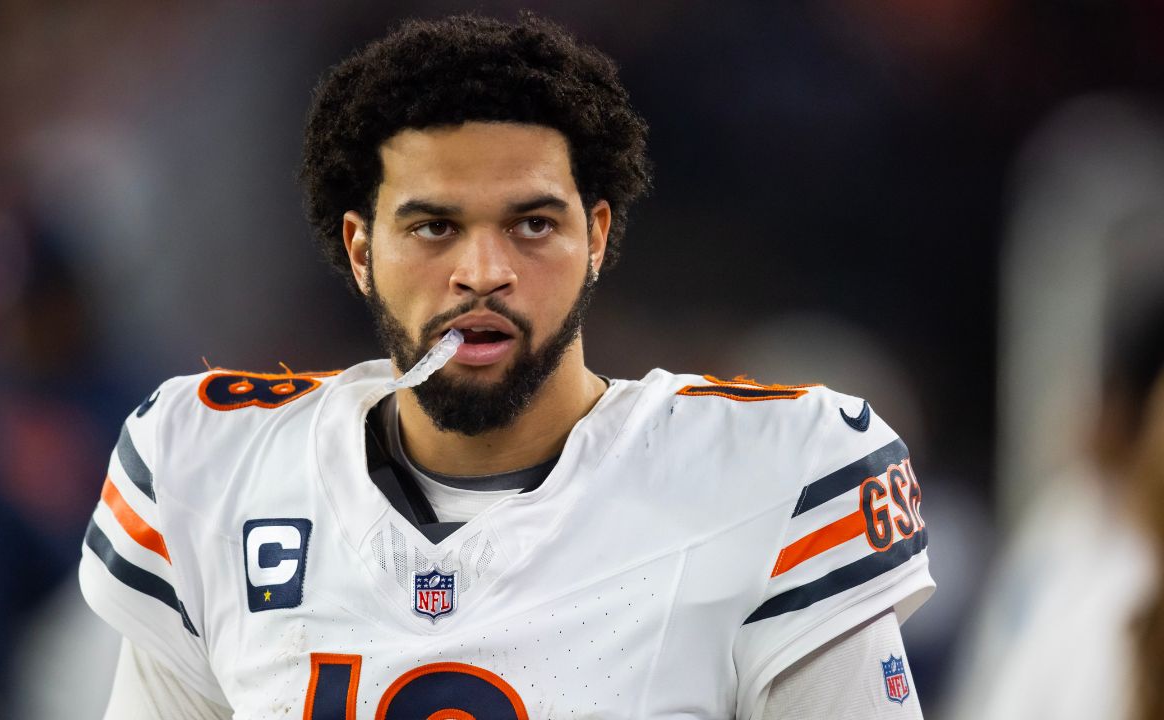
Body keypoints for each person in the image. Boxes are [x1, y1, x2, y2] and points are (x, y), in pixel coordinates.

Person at [79, 13, 934, 719]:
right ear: (360, 249)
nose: (483, 271)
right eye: (433, 227)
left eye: (531, 224)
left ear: (596, 238)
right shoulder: (215, 473)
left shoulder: (766, 480)